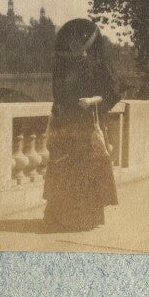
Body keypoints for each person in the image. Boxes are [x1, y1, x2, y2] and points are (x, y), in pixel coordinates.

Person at [43, 18, 120, 232]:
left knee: (85, 170)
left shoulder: (99, 64)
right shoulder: (64, 64)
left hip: (87, 125)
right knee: (63, 169)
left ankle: (84, 217)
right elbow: (59, 96)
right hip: (66, 124)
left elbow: (113, 94)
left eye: (79, 39)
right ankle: (60, 216)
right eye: (73, 39)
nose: (74, 42)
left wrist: (93, 101)